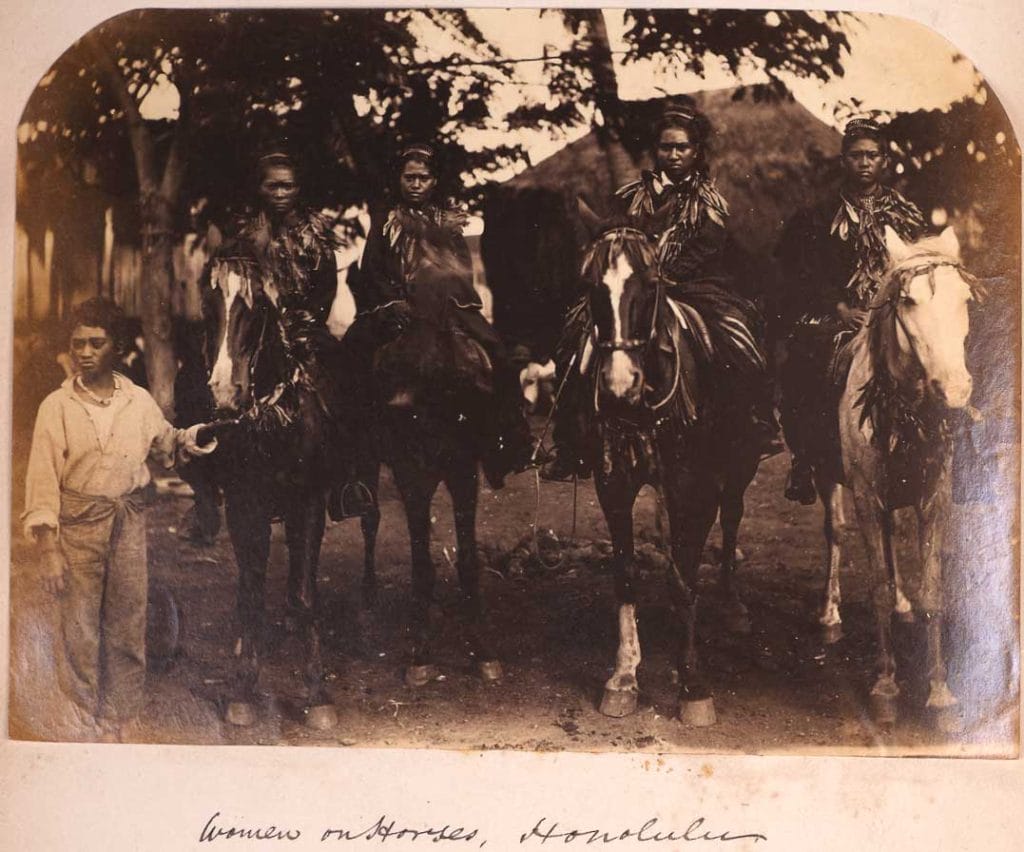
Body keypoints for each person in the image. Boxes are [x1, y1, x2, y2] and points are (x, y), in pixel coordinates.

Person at [542, 101, 781, 481]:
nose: (673, 154)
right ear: (656, 150)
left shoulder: (708, 199)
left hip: (693, 288)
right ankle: (570, 441)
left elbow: (708, 246)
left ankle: (754, 421)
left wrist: (665, 275)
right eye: (666, 147)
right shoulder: (631, 195)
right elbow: (613, 238)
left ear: (696, 151)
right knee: (576, 334)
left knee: (737, 336)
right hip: (634, 289)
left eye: (682, 147)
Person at [22, 298, 217, 742]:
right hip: (78, 527)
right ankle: (82, 719)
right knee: (80, 627)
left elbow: (167, 445)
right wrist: (49, 549)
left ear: (119, 348)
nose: (85, 352)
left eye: (96, 343)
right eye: (78, 344)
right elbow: (41, 480)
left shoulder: (138, 401)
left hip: (128, 524)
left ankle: (119, 717)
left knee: (128, 622)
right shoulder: (57, 406)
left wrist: (195, 437)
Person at [351, 142, 536, 488]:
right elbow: (372, 271)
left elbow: (462, 269)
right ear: (399, 180)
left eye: (423, 178)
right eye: (409, 177)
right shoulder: (385, 222)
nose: (415, 184)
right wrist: (392, 302)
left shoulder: (448, 223)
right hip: (398, 309)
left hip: (447, 307)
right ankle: (356, 464)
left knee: (496, 351)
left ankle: (509, 444)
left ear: (434, 181)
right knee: (352, 353)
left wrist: (447, 294)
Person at [205, 147, 373, 518]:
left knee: (349, 379)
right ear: (260, 189)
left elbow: (325, 290)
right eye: (273, 186)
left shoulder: (316, 237)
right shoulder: (242, 238)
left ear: (298, 189)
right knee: (194, 382)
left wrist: (301, 324)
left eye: (288, 186)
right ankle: (204, 490)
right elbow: (227, 282)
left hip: (302, 331)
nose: (281, 193)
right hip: (250, 329)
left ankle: (347, 482)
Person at [775, 118, 925, 503]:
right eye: (856, 155)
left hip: (895, 315)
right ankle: (806, 456)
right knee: (804, 361)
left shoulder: (905, 215)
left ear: (885, 161)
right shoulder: (818, 215)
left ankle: (941, 455)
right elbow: (804, 271)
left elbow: (918, 269)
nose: (864, 162)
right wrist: (839, 306)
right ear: (844, 160)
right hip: (840, 315)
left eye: (872, 155)